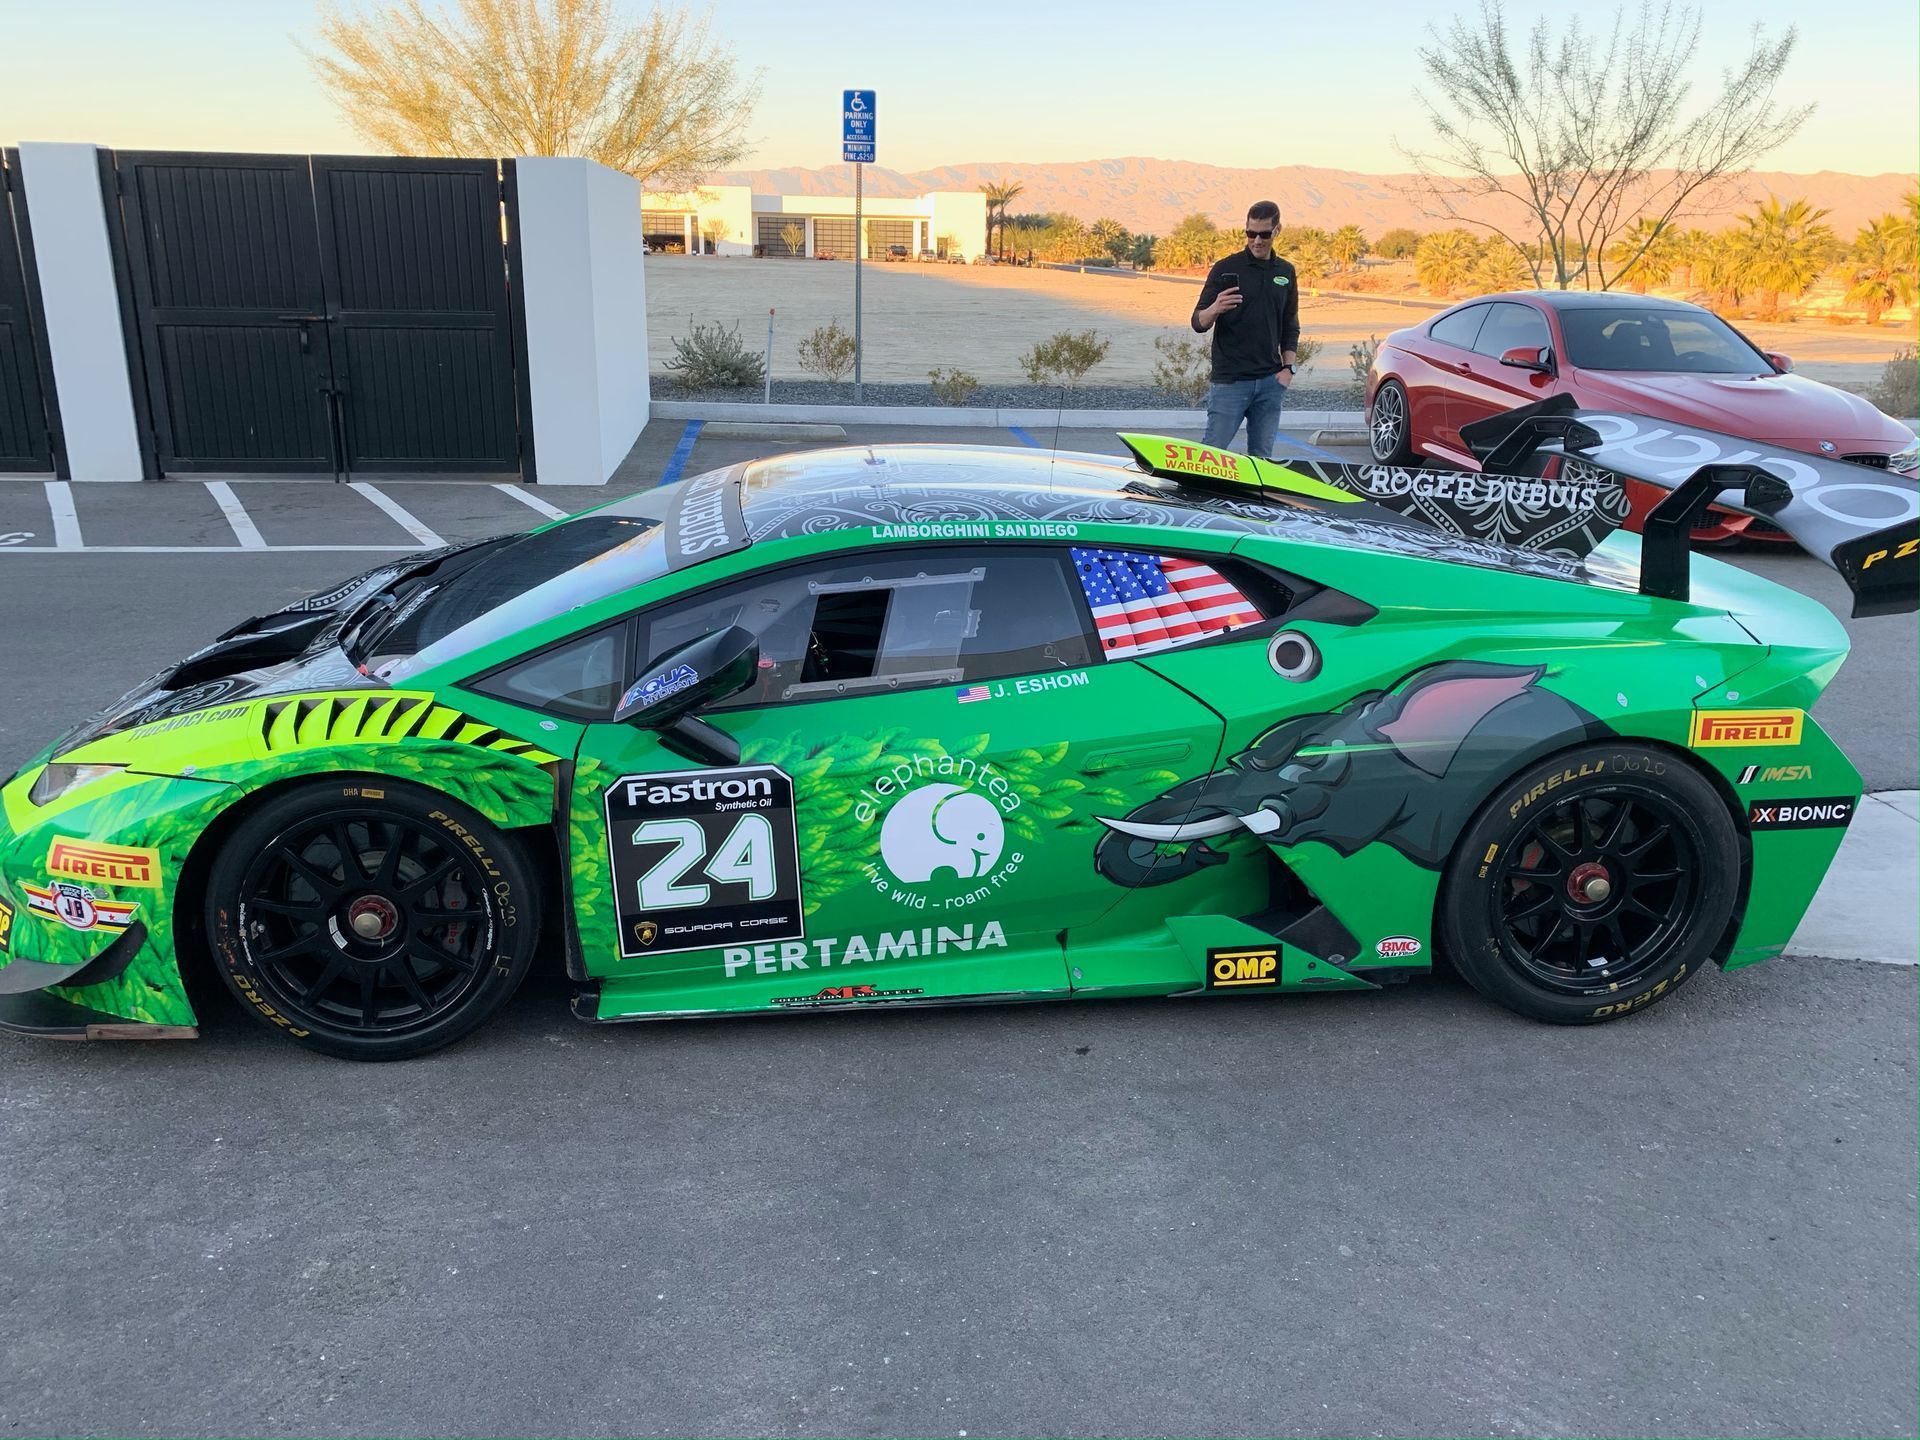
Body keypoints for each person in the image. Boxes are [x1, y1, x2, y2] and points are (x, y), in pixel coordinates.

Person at [1190, 200, 1300, 457]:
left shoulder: (1285, 271)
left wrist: (1288, 369)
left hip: (1270, 383)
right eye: (1251, 233)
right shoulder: (1226, 268)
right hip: (1231, 382)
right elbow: (1198, 322)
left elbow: (1290, 324)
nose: (1257, 240)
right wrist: (1216, 307)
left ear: (1277, 230)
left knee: (1261, 459)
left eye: (1264, 234)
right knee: (1212, 456)